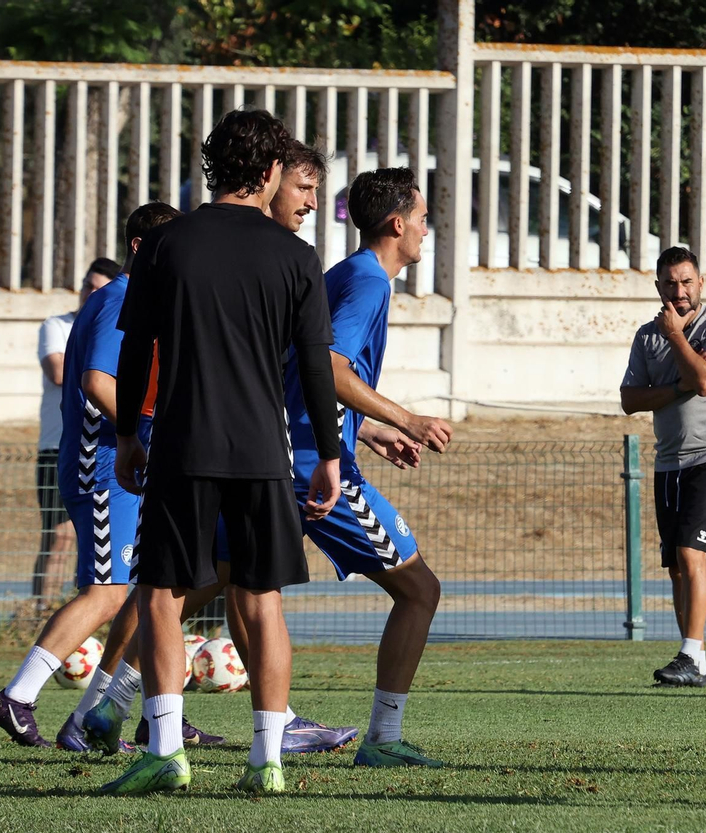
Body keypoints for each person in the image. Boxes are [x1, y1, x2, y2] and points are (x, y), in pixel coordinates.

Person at [103, 108, 343, 796]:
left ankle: (166, 751)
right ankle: (267, 759)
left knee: (160, 595)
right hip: (263, 451)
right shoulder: (296, 257)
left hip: (183, 444)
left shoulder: (166, 246)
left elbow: (134, 348)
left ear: (213, 169)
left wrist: (126, 434)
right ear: (271, 173)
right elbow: (317, 364)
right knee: (261, 599)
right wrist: (327, 453)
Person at [0, 203, 225, 752]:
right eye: (170, 245)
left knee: (141, 592)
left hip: (124, 467)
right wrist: (140, 432)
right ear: (141, 249)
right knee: (109, 590)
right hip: (102, 467)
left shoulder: (140, 300)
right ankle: (17, 697)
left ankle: (90, 717)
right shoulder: (119, 297)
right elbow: (95, 381)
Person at [277, 166, 452, 767]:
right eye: (424, 220)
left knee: (214, 581)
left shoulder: (346, 276)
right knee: (420, 589)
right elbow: (327, 366)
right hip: (313, 465)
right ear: (397, 223)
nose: (428, 232)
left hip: (286, 451)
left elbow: (308, 374)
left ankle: (109, 701)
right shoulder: (369, 282)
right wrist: (407, 420)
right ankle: (384, 737)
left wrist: (367, 429)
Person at [620, 246, 706, 688]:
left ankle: (689, 654)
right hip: (668, 461)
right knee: (676, 563)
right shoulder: (645, 336)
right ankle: (697, 662)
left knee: (693, 553)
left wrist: (677, 337)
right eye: (670, 283)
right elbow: (630, 399)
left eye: (687, 281)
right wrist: (677, 386)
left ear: (701, 284)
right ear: (658, 287)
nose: (680, 290)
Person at [33, 257, 120, 602]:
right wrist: (102, 361)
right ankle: (42, 605)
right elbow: (58, 372)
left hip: (102, 445)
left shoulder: (115, 321)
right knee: (58, 535)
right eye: (86, 285)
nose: (89, 293)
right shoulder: (58, 325)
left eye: (97, 288)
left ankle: (82, 606)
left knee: (92, 536)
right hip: (59, 444)